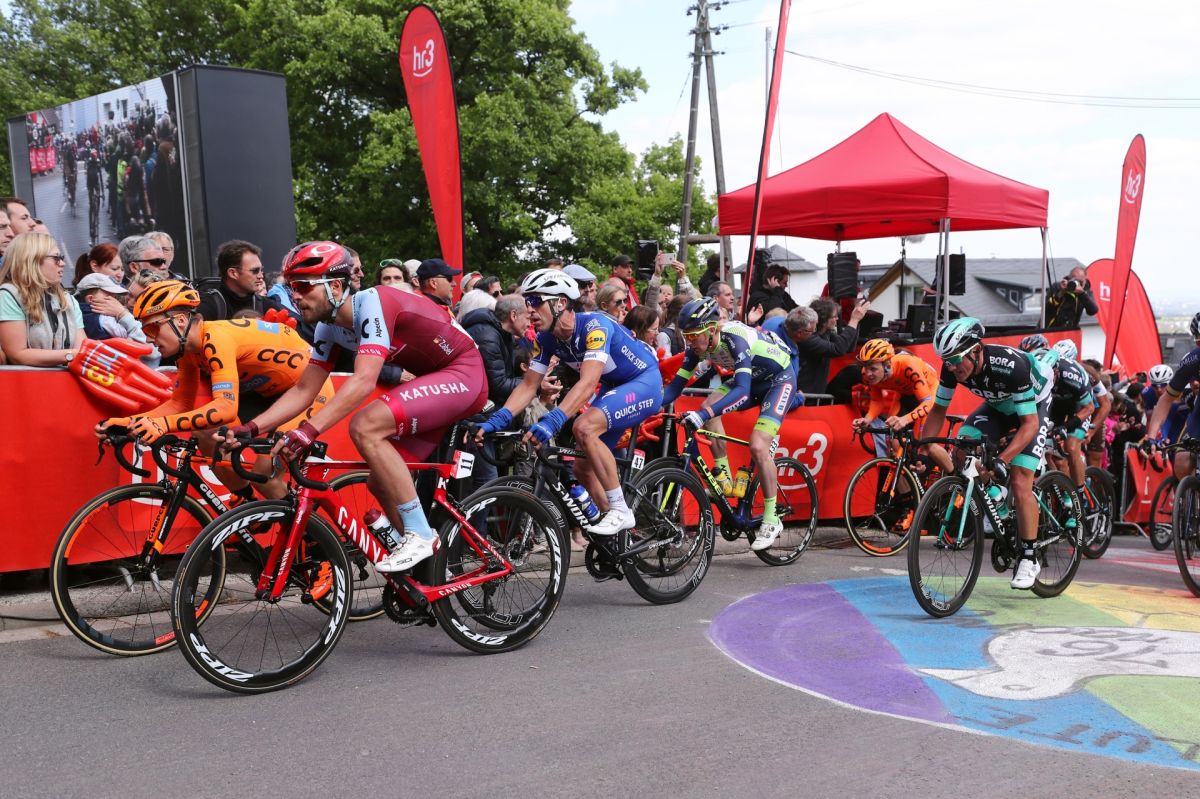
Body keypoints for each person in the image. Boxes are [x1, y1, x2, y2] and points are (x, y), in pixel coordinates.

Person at [226, 242, 488, 574]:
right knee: (381, 482)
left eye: (304, 286)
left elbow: (364, 380)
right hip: (436, 380)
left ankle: (420, 535)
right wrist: (251, 428)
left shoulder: (373, 302)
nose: (295, 296)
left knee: (365, 425)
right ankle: (431, 570)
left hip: (464, 374)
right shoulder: (328, 327)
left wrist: (308, 431)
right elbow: (305, 389)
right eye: (291, 287)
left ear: (336, 286)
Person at [98, 280, 330, 501]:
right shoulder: (188, 350)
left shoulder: (216, 338)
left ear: (180, 321)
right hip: (268, 394)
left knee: (264, 474)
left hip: (310, 391)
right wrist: (129, 423)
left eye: (152, 329)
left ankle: (309, 529)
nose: (151, 339)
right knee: (206, 435)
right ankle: (245, 504)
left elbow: (225, 409)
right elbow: (180, 404)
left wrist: (162, 425)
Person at [476, 269, 662, 535]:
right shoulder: (546, 339)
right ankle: (619, 536)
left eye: (535, 301)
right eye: (527, 302)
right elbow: (529, 385)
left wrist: (552, 420)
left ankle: (620, 510)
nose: (529, 309)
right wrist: (499, 418)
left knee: (583, 427)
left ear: (560, 303)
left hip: (644, 383)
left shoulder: (595, 327)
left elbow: (587, 383)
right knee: (582, 468)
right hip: (614, 388)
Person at [923, 317, 1055, 590]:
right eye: (947, 361)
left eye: (956, 360)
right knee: (962, 449)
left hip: (1034, 408)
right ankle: (997, 497)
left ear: (975, 350)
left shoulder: (1010, 366)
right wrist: (924, 446)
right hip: (998, 406)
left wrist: (1002, 460)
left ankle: (1029, 557)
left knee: (1020, 477)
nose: (952, 367)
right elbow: (938, 410)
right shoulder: (952, 367)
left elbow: (1029, 424)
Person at [662, 297, 796, 551]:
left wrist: (703, 415)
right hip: (752, 380)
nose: (690, 343)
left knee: (758, 446)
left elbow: (743, 391)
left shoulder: (734, 338)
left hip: (778, 381)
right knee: (708, 407)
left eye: (694, 336)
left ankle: (771, 518)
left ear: (712, 329)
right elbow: (674, 389)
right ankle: (723, 480)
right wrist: (647, 407)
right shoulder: (697, 348)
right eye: (686, 336)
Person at [850, 338, 951, 470]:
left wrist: (905, 419)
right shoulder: (868, 374)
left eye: (873, 368)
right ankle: (907, 479)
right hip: (905, 395)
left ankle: (954, 474)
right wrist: (867, 420)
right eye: (865, 367)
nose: (868, 373)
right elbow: (877, 401)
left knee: (926, 444)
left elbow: (927, 402)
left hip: (929, 394)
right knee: (893, 441)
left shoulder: (907, 365)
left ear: (887, 365)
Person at [0, 232, 83, 367]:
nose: (62, 263)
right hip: (26, 380)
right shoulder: (8, 295)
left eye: (62, 258)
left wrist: (74, 354)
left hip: (65, 379)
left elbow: (81, 349)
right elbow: (17, 354)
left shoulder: (69, 300)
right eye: (56, 258)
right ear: (32, 259)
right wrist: (69, 355)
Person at [1030, 346, 1097, 503]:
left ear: (1057, 372)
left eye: (1049, 376)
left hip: (1080, 406)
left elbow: (1090, 408)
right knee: (1044, 446)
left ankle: (1079, 497)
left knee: (1071, 447)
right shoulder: (1034, 373)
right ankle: (1063, 490)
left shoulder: (1071, 375)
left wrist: (1066, 427)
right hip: (1056, 404)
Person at [1144, 313, 1200, 486]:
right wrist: (1151, 438)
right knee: (1181, 461)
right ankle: (1190, 498)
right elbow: (1165, 400)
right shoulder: (1192, 361)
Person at [195, 239, 291, 321]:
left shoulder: (267, 307)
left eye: (261, 270)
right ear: (233, 273)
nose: (261, 276)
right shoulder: (207, 305)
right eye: (255, 271)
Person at [74, 273, 157, 364]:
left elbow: (152, 352)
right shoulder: (99, 315)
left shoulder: (159, 322)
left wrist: (123, 314)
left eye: (139, 300)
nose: (130, 303)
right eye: (129, 295)